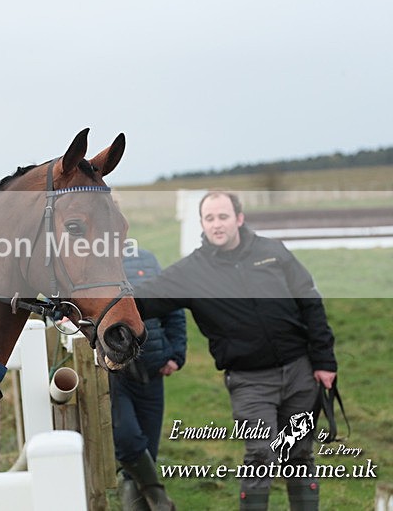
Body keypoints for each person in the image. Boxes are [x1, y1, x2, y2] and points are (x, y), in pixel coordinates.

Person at [135, 191, 337, 511]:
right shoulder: (190, 272)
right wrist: (96, 305)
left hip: (300, 371)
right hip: (249, 381)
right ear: (202, 224)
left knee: (300, 453)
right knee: (260, 455)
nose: (217, 224)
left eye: (223, 216)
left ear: (239, 219)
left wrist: (324, 360)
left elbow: (310, 301)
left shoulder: (273, 252)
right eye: (210, 218)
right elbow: (142, 300)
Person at [111, 248, 186, 511]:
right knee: (128, 440)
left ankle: (151, 503)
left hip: (152, 371)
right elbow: (59, 303)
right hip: (113, 374)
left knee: (146, 457)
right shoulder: (81, 261)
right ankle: (161, 503)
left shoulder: (146, 259)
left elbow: (172, 308)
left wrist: (175, 352)